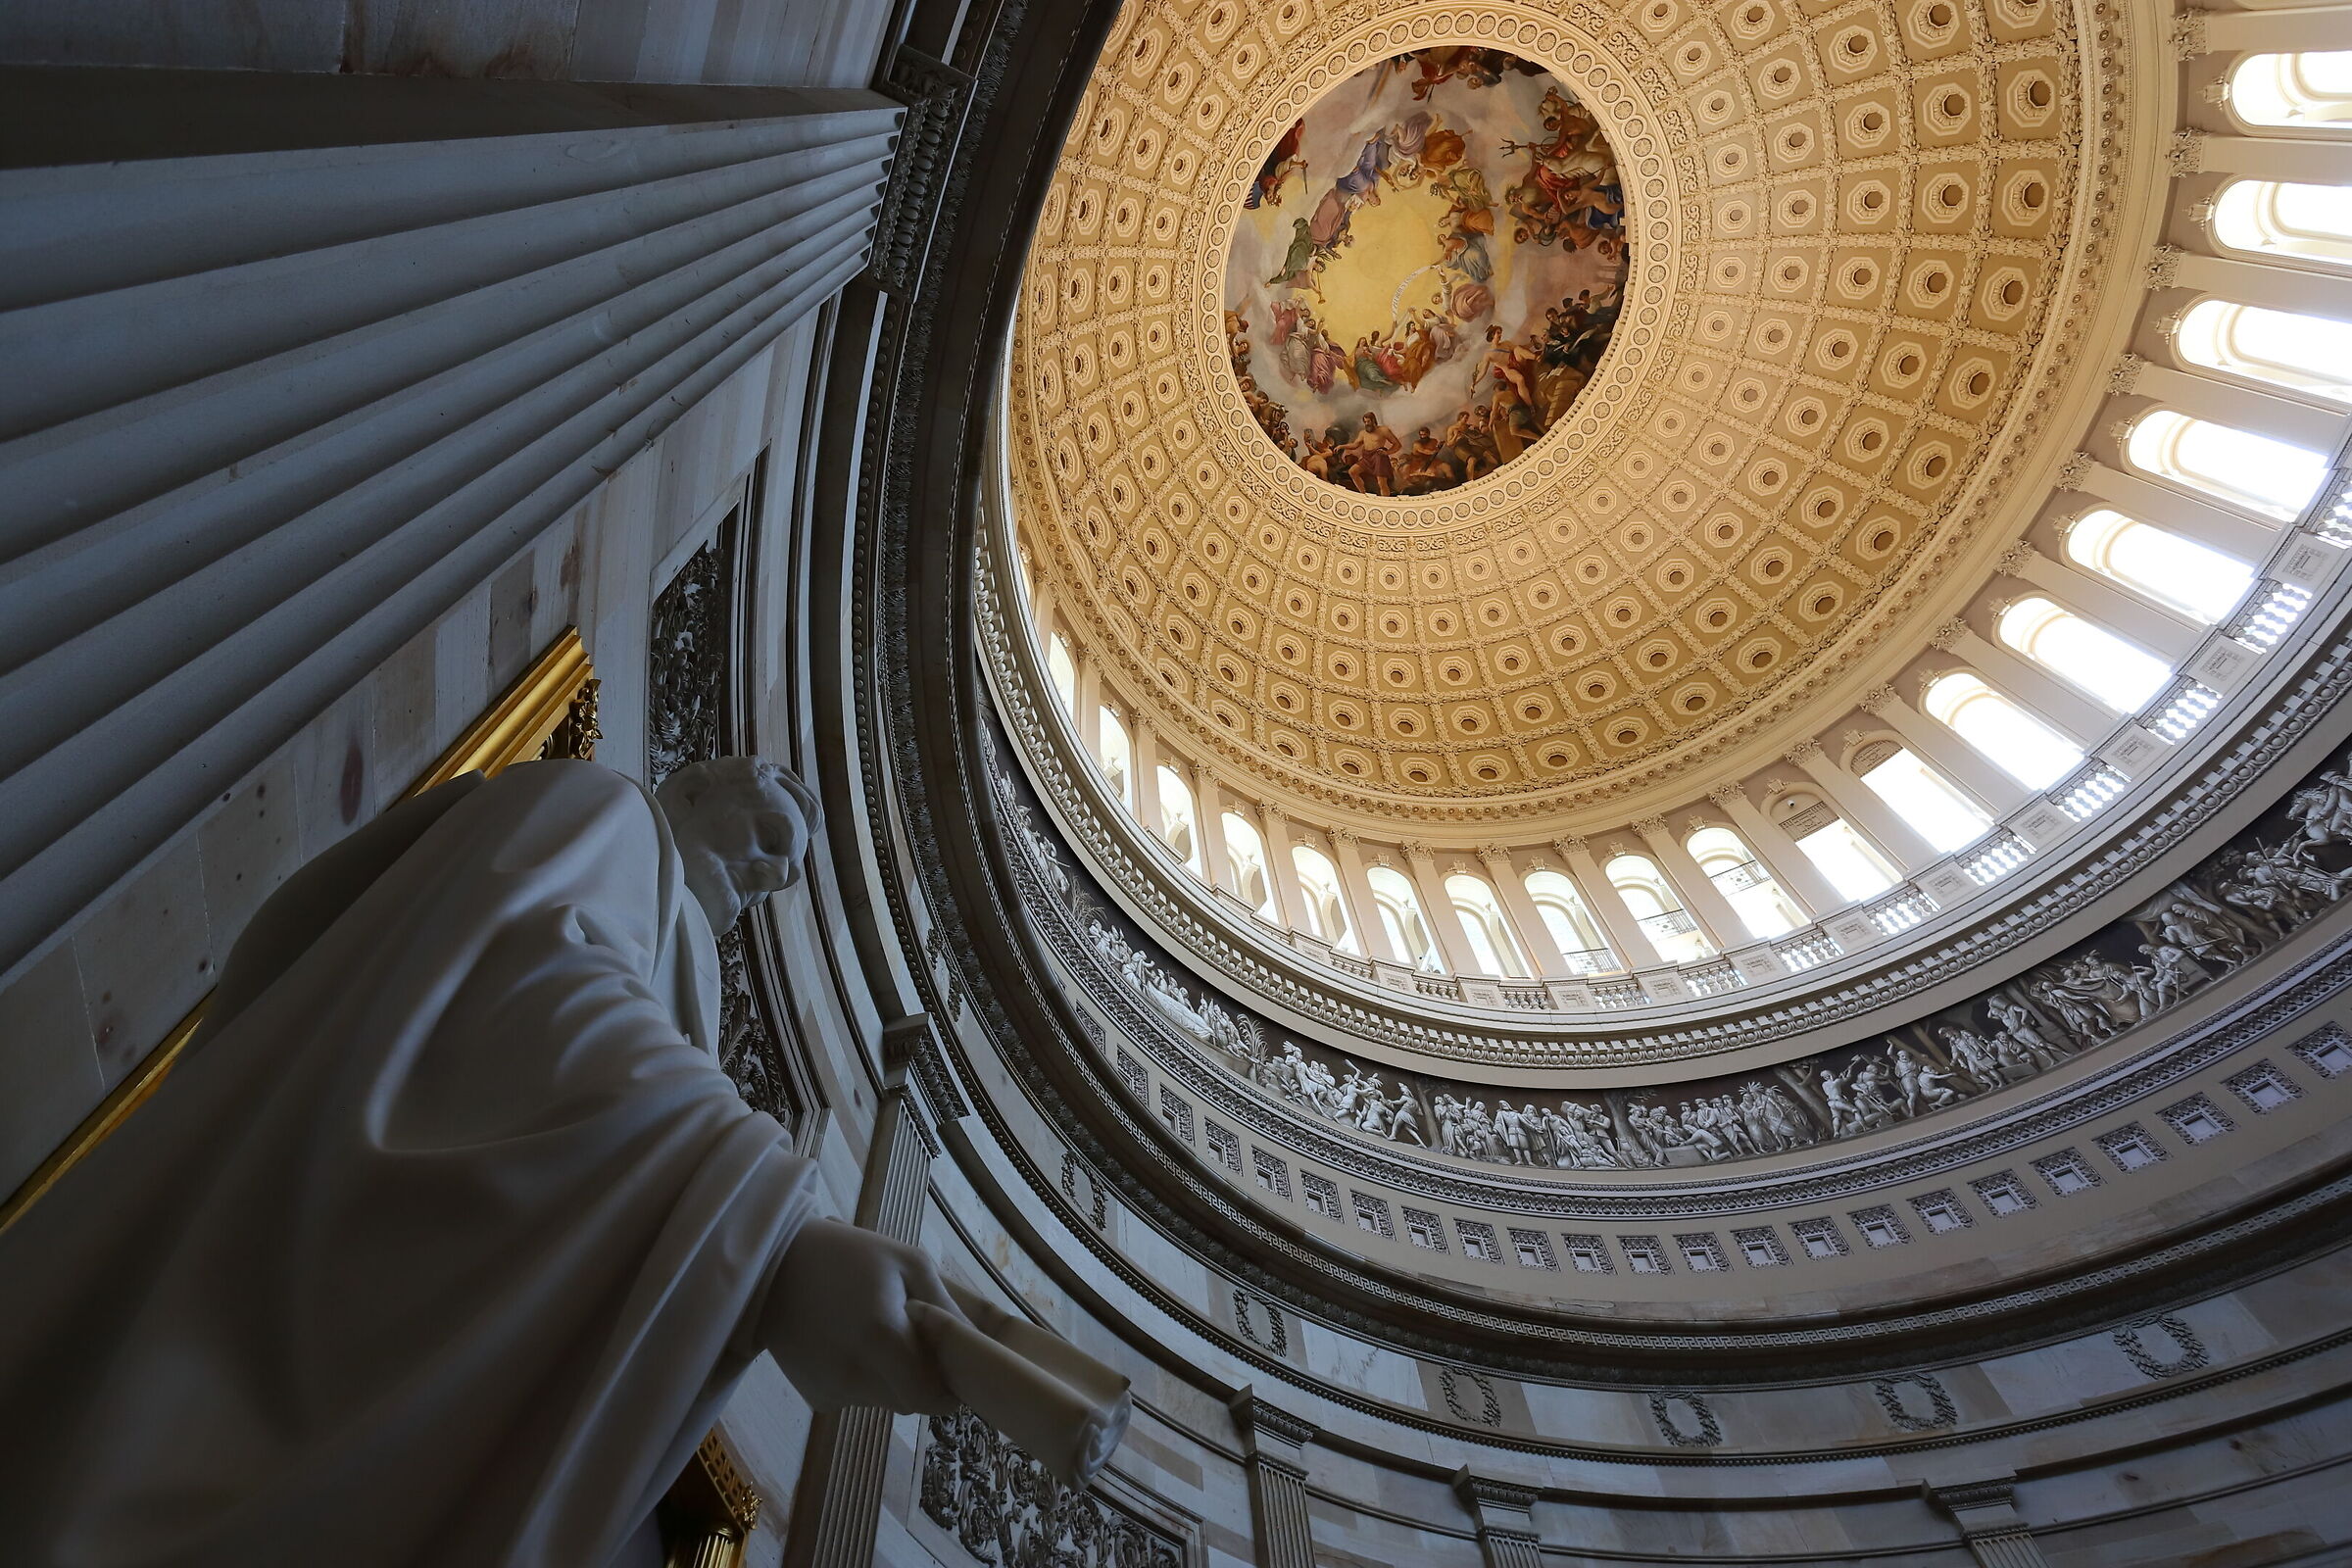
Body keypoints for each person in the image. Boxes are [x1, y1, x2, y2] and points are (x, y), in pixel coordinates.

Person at [0, 758, 1121, 1566]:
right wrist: (771, 1236)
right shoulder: (604, 817)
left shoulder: (680, 992)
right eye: (765, 834)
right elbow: (515, 983)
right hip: (257, 1318)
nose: (768, 874)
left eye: (782, 870)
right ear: (694, 785)